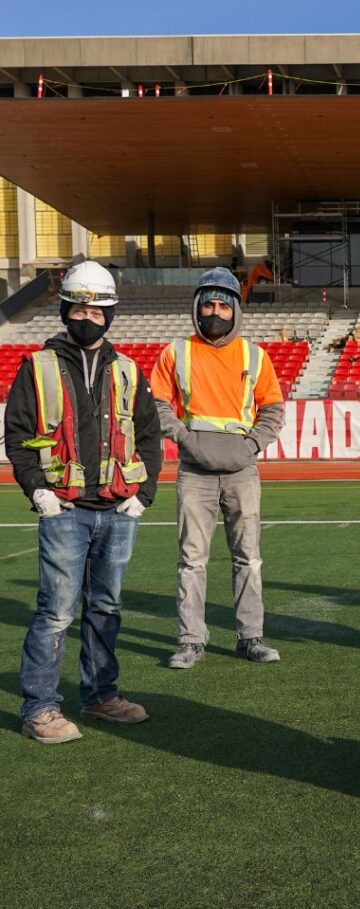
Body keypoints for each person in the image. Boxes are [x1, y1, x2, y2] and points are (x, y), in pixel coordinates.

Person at [3, 261, 163, 743]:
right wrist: (39, 492)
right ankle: (40, 708)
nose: (87, 317)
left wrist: (145, 493)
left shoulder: (130, 371)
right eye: (79, 307)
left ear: (110, 313)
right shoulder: (37, 367)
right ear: (64, 309)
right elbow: (18, 436)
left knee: (106, 608)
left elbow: (150, 438)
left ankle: (99, 696)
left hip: (118, 510)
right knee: (55, 612)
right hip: (65, 511)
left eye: (97, 310)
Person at [150, 268, 285, 669]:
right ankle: (191, 640)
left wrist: (250, 446)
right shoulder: (177, 352)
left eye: (223, 305)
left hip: (243, 470)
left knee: (249, 557)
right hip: (194, 471)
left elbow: (273, 409)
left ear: (235, 310)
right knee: (192, 559)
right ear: (197, 307)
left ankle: (251, 637)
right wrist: (186, 439)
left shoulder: (254, 355)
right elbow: (157, 405)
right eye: (208, 304)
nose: (215, 312)